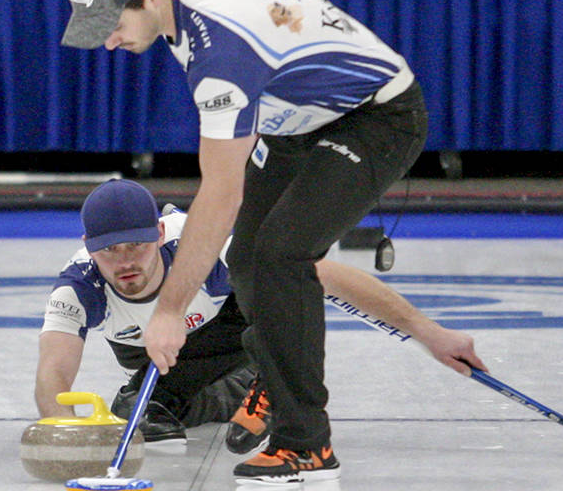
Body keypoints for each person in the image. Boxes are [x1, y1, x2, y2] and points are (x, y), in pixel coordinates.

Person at [60, 0, 444, 482]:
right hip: (297, 118)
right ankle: (273, 372)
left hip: (374, 116)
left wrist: (169, 312)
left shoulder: (221, 62)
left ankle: (306, 445)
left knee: (282, 255)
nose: (110, 41)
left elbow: (220, 195)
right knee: (245, 258)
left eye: (114, 25)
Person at [36, 179, 486, 455]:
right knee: (139, 412)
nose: (125, 262)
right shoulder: (79, 286)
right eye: (110, 251)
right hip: (158, 355)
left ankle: (273, 373)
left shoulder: (204, 245)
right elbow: (53, 372)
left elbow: (325, 276)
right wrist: (64, 433)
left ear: (158, 232)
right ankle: (244, 385)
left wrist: (430, 333)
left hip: (231, 325)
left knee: (274, 282)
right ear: (88, 246)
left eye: (136, 245)